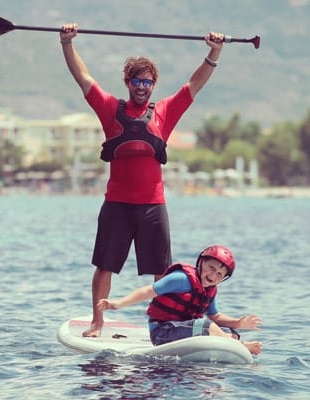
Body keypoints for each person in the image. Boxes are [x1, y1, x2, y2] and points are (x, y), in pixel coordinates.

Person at [60, 23, 226, 337]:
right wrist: (67, 43)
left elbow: (194, 84)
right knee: (105, 266)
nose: (142, 86)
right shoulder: (110, 109)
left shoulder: (164, 112)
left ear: (153, 84)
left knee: (162, 273)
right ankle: (98, 323)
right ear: (127, 82)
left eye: (147, 82)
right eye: (136, 80)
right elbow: (83, 78)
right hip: (117, 205)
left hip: (152, 206)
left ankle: (165, 325)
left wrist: (214, 52)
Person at [97, 245, 263, 355]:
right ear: (202, 263)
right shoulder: (181, 279)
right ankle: (241, 347)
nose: (213, 275)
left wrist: (239, 323)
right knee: (206, 326)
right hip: (162, 333)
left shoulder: (210, 290)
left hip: (186, 331)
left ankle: (237, 344)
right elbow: (148, 291)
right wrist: (118, 303)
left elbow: (216, 317)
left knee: (230, 332)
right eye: (211, 268)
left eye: (219, 274)